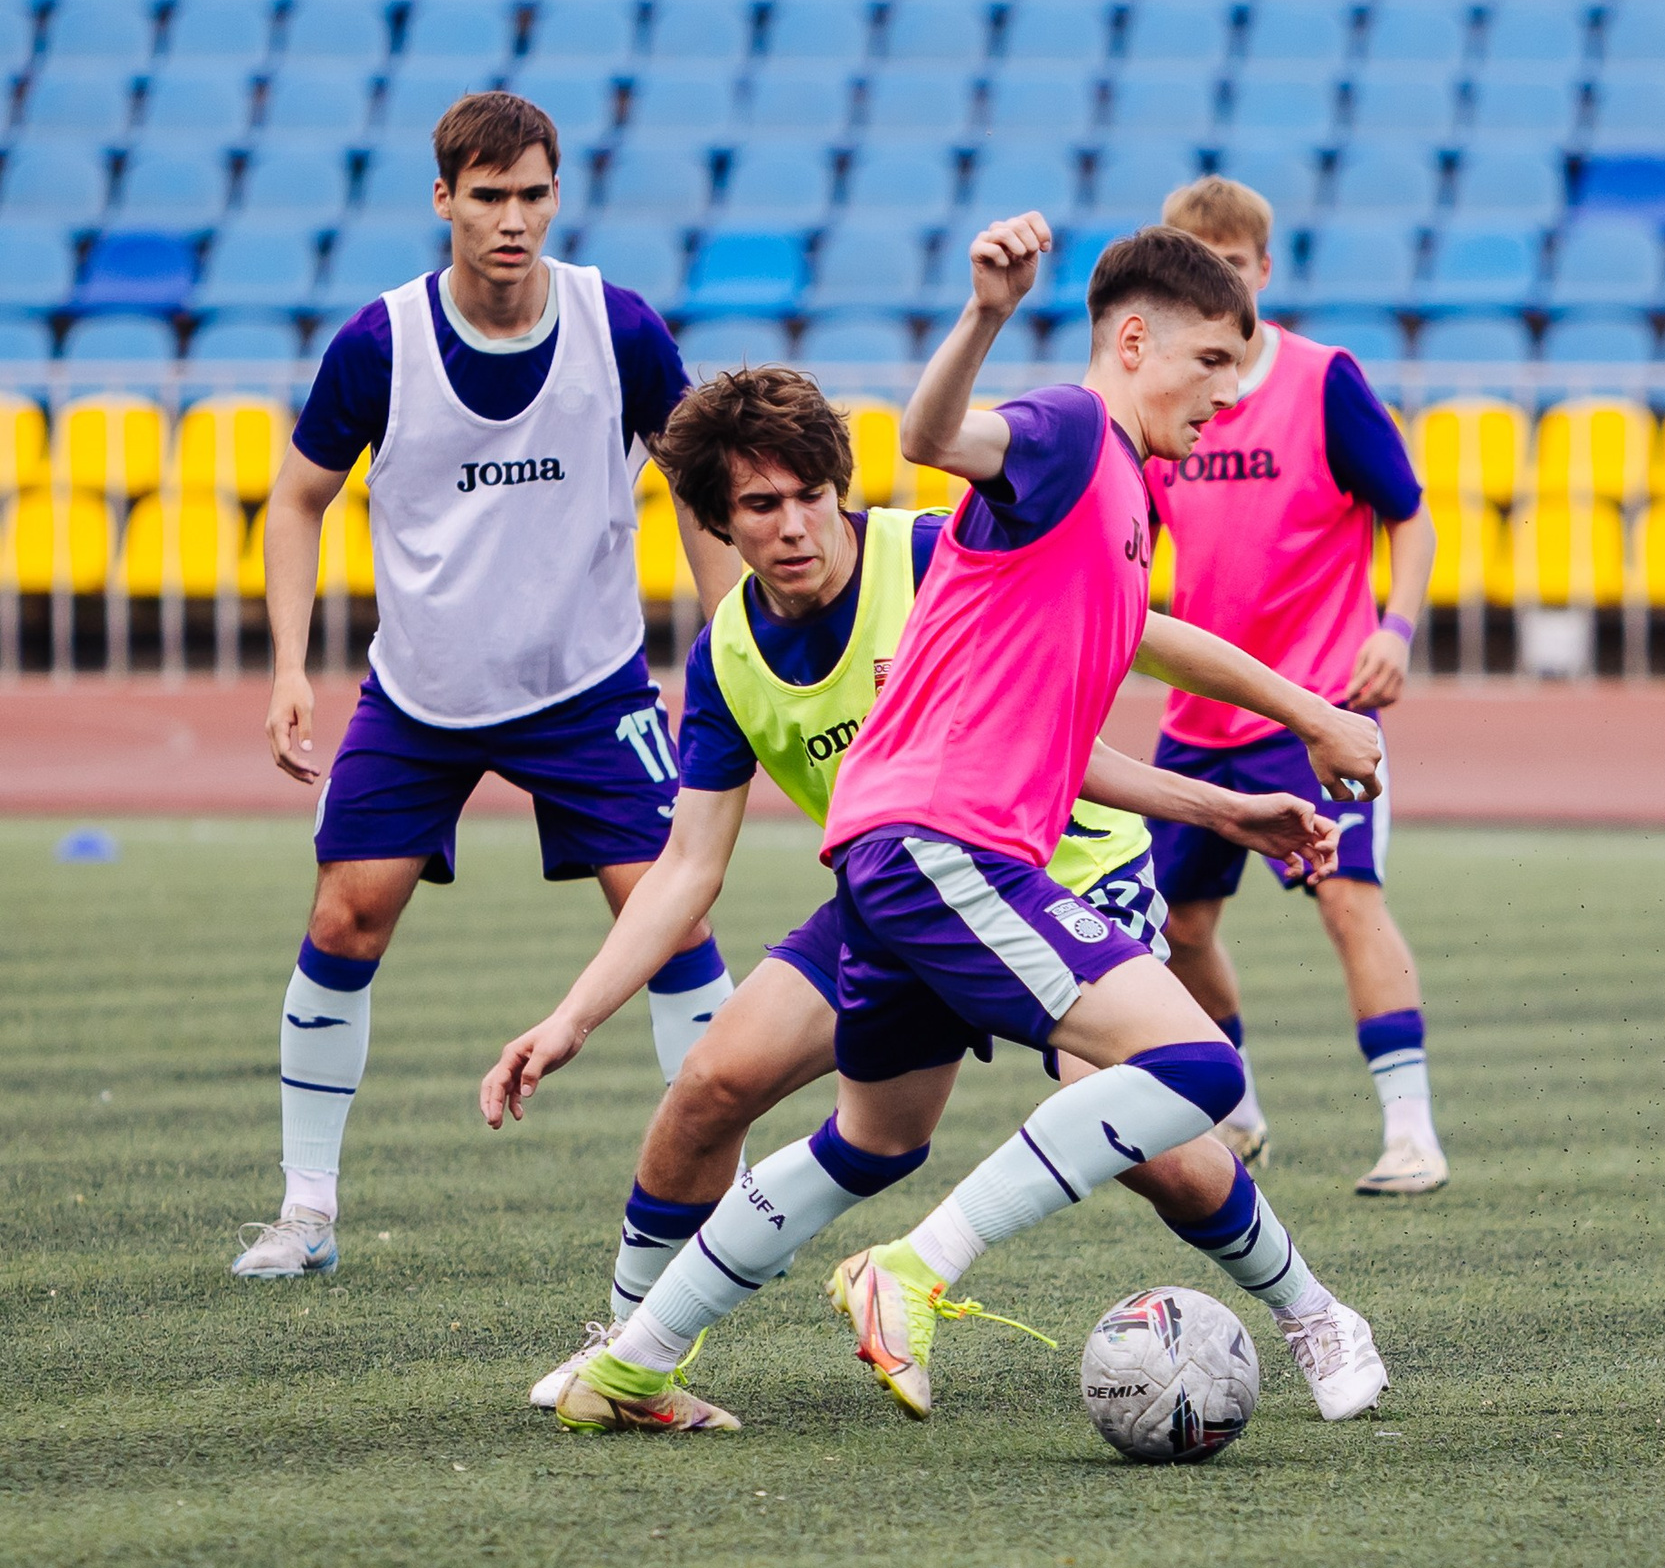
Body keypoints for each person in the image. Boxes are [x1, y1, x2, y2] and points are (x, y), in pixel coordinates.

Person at [533, 216, 1392, 1432]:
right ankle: (912, 1269)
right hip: (952, 852)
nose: (1228, 396)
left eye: (807, 495)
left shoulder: (1088, 501)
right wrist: (988, 312)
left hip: (939, 857)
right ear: (1136, 340)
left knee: (885, 1137)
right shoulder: (1068, 431)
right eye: (1212, 365)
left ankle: (633, 1363)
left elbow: (1105, 663)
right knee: (1196, 1070)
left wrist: (1236, 787)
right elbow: (934, 438)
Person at [233, 92, 734, 1279]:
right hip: (420, 694)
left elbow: (698, 486)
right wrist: (291, 665)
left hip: (590, 684)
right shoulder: (378, 342)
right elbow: (296, 497)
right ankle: (307, 1207)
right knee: (345, 915)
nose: (512, 219)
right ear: (445, 198)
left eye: (532, 195)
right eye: (488, 195)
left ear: (555, 197)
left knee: (672, 918)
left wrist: (735, 641)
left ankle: (733, 1191)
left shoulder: (618, 326)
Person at [1146, 177, 1446, 1193]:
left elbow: (1410, 512)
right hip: (1199, 716)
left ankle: (1409, 1127)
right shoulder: (1161, 407)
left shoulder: (1322, 381)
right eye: (1194, 266)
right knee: (1175, 923)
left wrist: (1395, 629)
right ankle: (1235, 1109)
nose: (1216, 281)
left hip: (1315, 703)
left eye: (1230, 263)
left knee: (1346, 893)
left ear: (1262, 270)